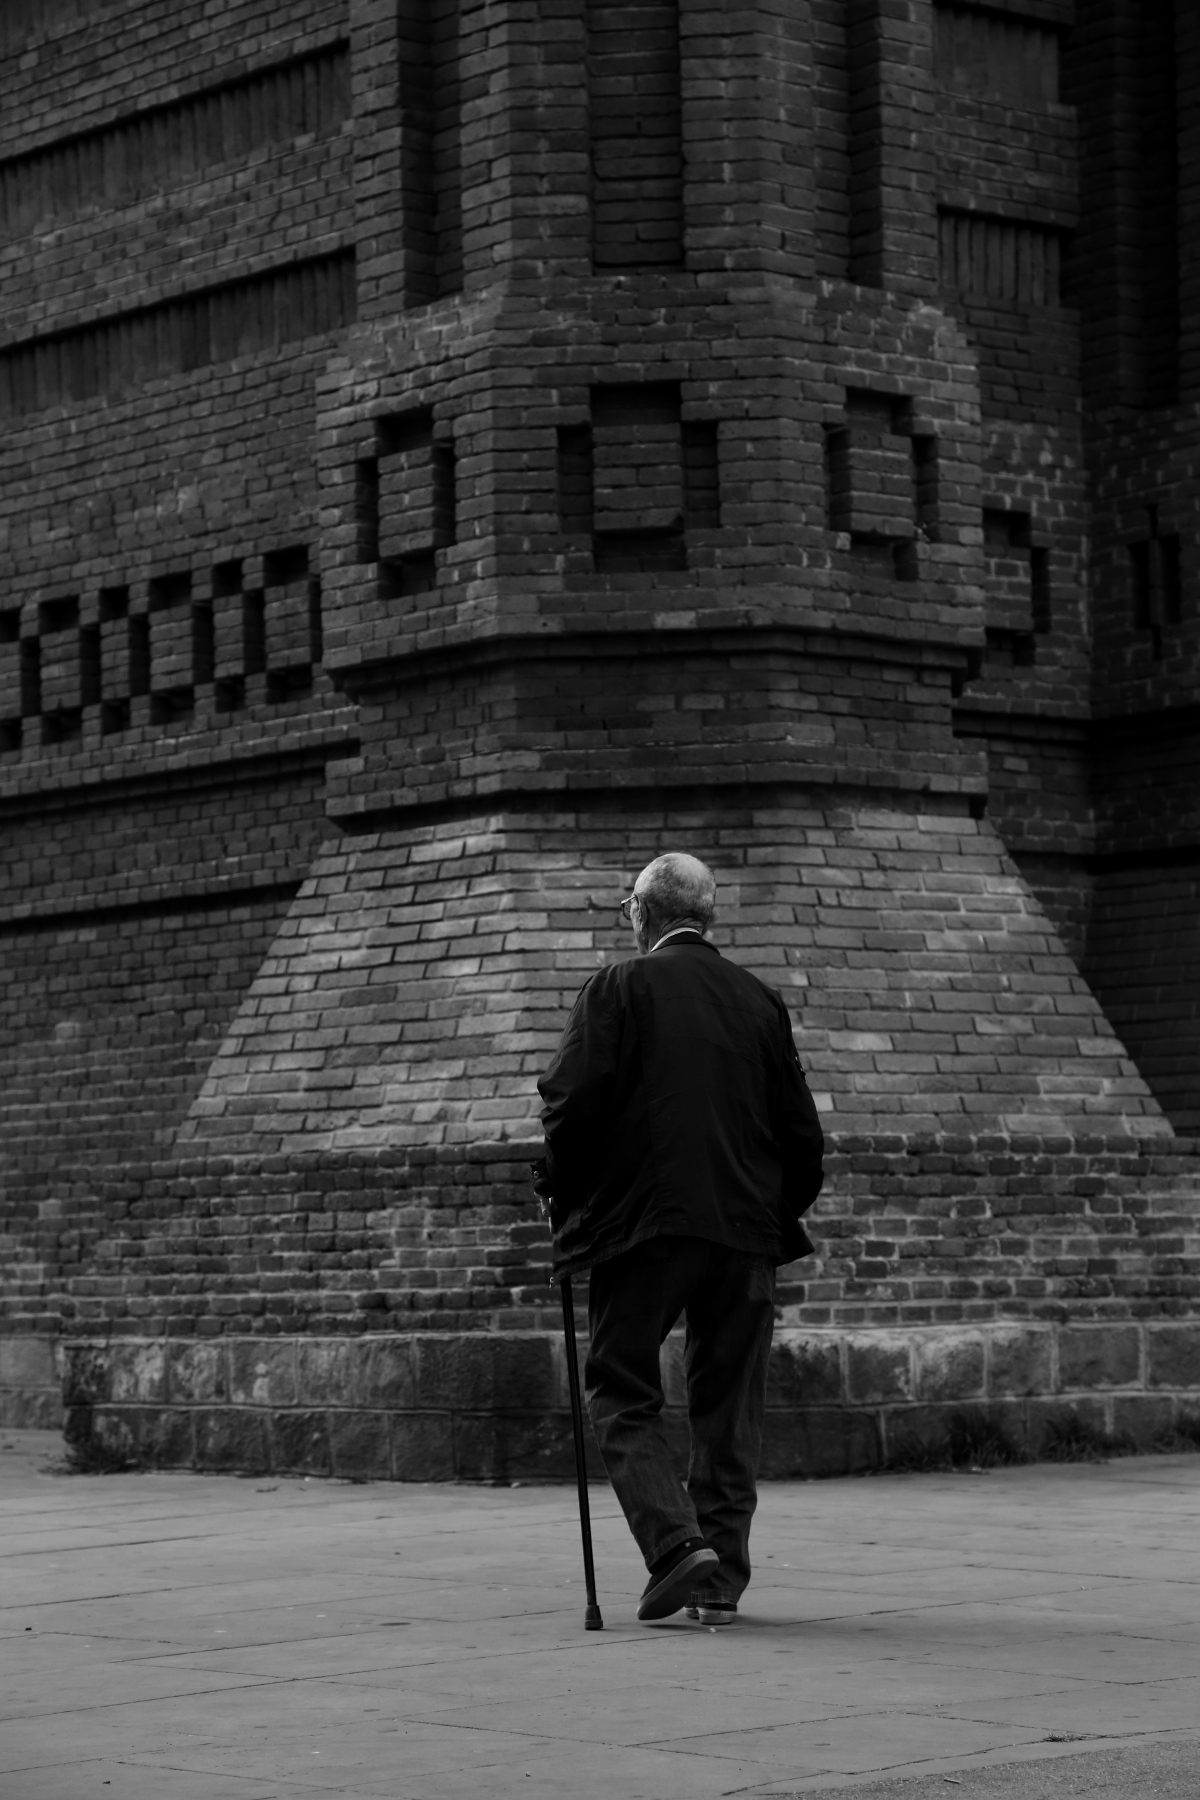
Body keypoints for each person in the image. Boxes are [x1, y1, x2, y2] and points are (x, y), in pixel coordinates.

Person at [535, 852, 824, 1625]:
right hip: (747, 1232)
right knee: (729, 1405)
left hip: (650, 1227)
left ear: (644, 913)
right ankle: (719, 1584)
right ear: (707, 916)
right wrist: (769, 1210)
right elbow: (803, 1137)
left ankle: (672, 1545)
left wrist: (566, 1195)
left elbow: (568, 1105)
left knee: (620, 1384)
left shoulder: (619, 989)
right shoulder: (758, 1001)